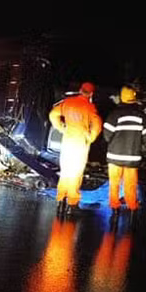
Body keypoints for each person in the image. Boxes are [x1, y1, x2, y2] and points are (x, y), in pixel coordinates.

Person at [48, 81, 101, 217]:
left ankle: (60, 202)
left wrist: (60, 127)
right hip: (80, 144)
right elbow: (97, 125)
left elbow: (53, 114)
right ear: (91, 94)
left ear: (80, 90)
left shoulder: (68, 102)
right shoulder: (90, 107)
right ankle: (72, 204)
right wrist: (91, 137)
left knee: (65, 171)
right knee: (76, 173)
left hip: (67, 141)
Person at [102, 85, 146, 219]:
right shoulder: (141, 116)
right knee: (130, 184)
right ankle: (132, 208)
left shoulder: (114, 115)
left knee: (114, 183)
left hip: (114, 156)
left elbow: (107, 135)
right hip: (132, 157)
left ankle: (114, 208)